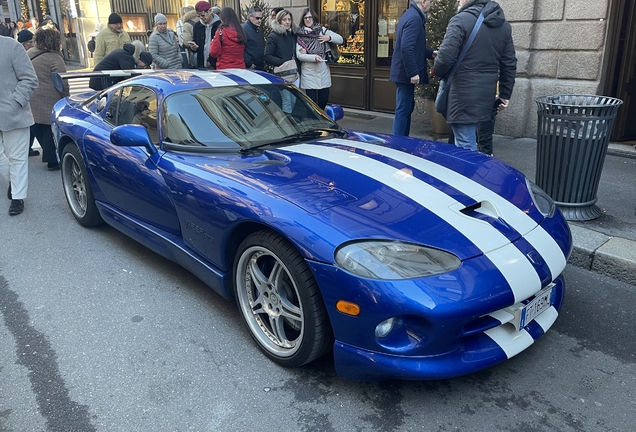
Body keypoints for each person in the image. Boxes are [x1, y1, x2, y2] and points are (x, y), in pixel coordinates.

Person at [433, 0, 516, 152]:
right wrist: (505, 94)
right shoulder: (503, 26)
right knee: (469, 139)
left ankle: (468, 174)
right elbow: (509, 63)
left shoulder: (460, 20)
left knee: (466, 146)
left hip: (462, 93)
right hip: (486, 94)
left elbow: (445, 58)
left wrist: (437, 71)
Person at [0, 36, 38, 215]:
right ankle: (13, 183)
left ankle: (17, 197)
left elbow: (29, 78)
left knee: (17, 158)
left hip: (13, 113)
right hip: (11, 110)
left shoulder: (11, 46)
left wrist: (15, 102)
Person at [389, 0, 436, 137]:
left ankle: (401, 141)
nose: (432, 4)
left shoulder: (411, 15)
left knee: (406, 108)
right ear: (423, 1)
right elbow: (406, 47)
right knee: (403, 109)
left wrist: (430, 53)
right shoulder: (415, 18)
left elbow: (413, 46)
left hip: (402, 72)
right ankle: (398, 144)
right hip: (405, 74)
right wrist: (413, 72)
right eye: (431, 1)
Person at [28, 27, 70, 171]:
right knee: (50, 129)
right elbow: (62, 81)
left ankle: (48, 156)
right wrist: (66, 97)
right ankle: (52, 160)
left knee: (38, 126)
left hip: (31, 97)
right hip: (49, 98)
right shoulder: (54, 58)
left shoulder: (29, 54)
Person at [296, 8, 343, 110]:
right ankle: (314, 120)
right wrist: (314, 57)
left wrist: (328, 38)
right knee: (312, 102)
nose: (308, 20)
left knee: (324, 99)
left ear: (314, 18)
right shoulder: (300, 35)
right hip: (309, 72)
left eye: (310, 17)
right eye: (305, 18)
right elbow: (299, 55)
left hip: (323, 71)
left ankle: (320, 116)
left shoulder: (322, 30)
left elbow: (340, 39)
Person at [265, 10, 299, 113]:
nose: (287, 22)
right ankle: (288, 125)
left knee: (294, 100)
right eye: (284, 20)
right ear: (279, 21)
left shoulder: (293, 34)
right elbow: (267, 56)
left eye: (289, 19)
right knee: (287, 101)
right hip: (283, 73)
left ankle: (289, 121)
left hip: (295, 73)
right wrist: (283, 62)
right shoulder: (273, 36)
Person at [16, 30, 39, 157]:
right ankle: (26, 148)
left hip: (28, 94)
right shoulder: (18, 55)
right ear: (23, 43)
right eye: (30, 42)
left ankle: (27, 148)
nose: (32, 44)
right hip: (23, 96)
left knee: (31, 124)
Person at [185, 1, 221, 69]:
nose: (201, 18)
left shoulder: (219, 25)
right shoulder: (197, 26)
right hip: (201, 64)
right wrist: (193, 47)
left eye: (203, 15)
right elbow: (196, 42)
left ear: (210, 11)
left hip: (216, 64)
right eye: (199, 16)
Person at [242, 6, 265, 70]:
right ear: (250, 17)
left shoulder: (258, 30)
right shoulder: (243, 29)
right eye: (257, 18)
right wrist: (248, 63)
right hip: (251, 66)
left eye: (261, 18)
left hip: (259, 65)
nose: (260, 20)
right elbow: (240, 48)